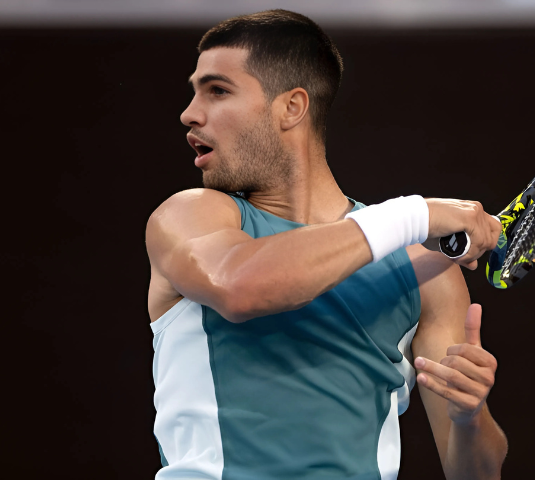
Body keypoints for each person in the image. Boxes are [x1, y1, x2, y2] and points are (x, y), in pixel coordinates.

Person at [145, 9, 507, 480]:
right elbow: (240, 286)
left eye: (217, 90)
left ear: (291, 108)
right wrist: (416, 213)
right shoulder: (190, 215)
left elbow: (475, 474)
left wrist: (468, 416)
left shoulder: (424, 268)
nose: (189, 113)